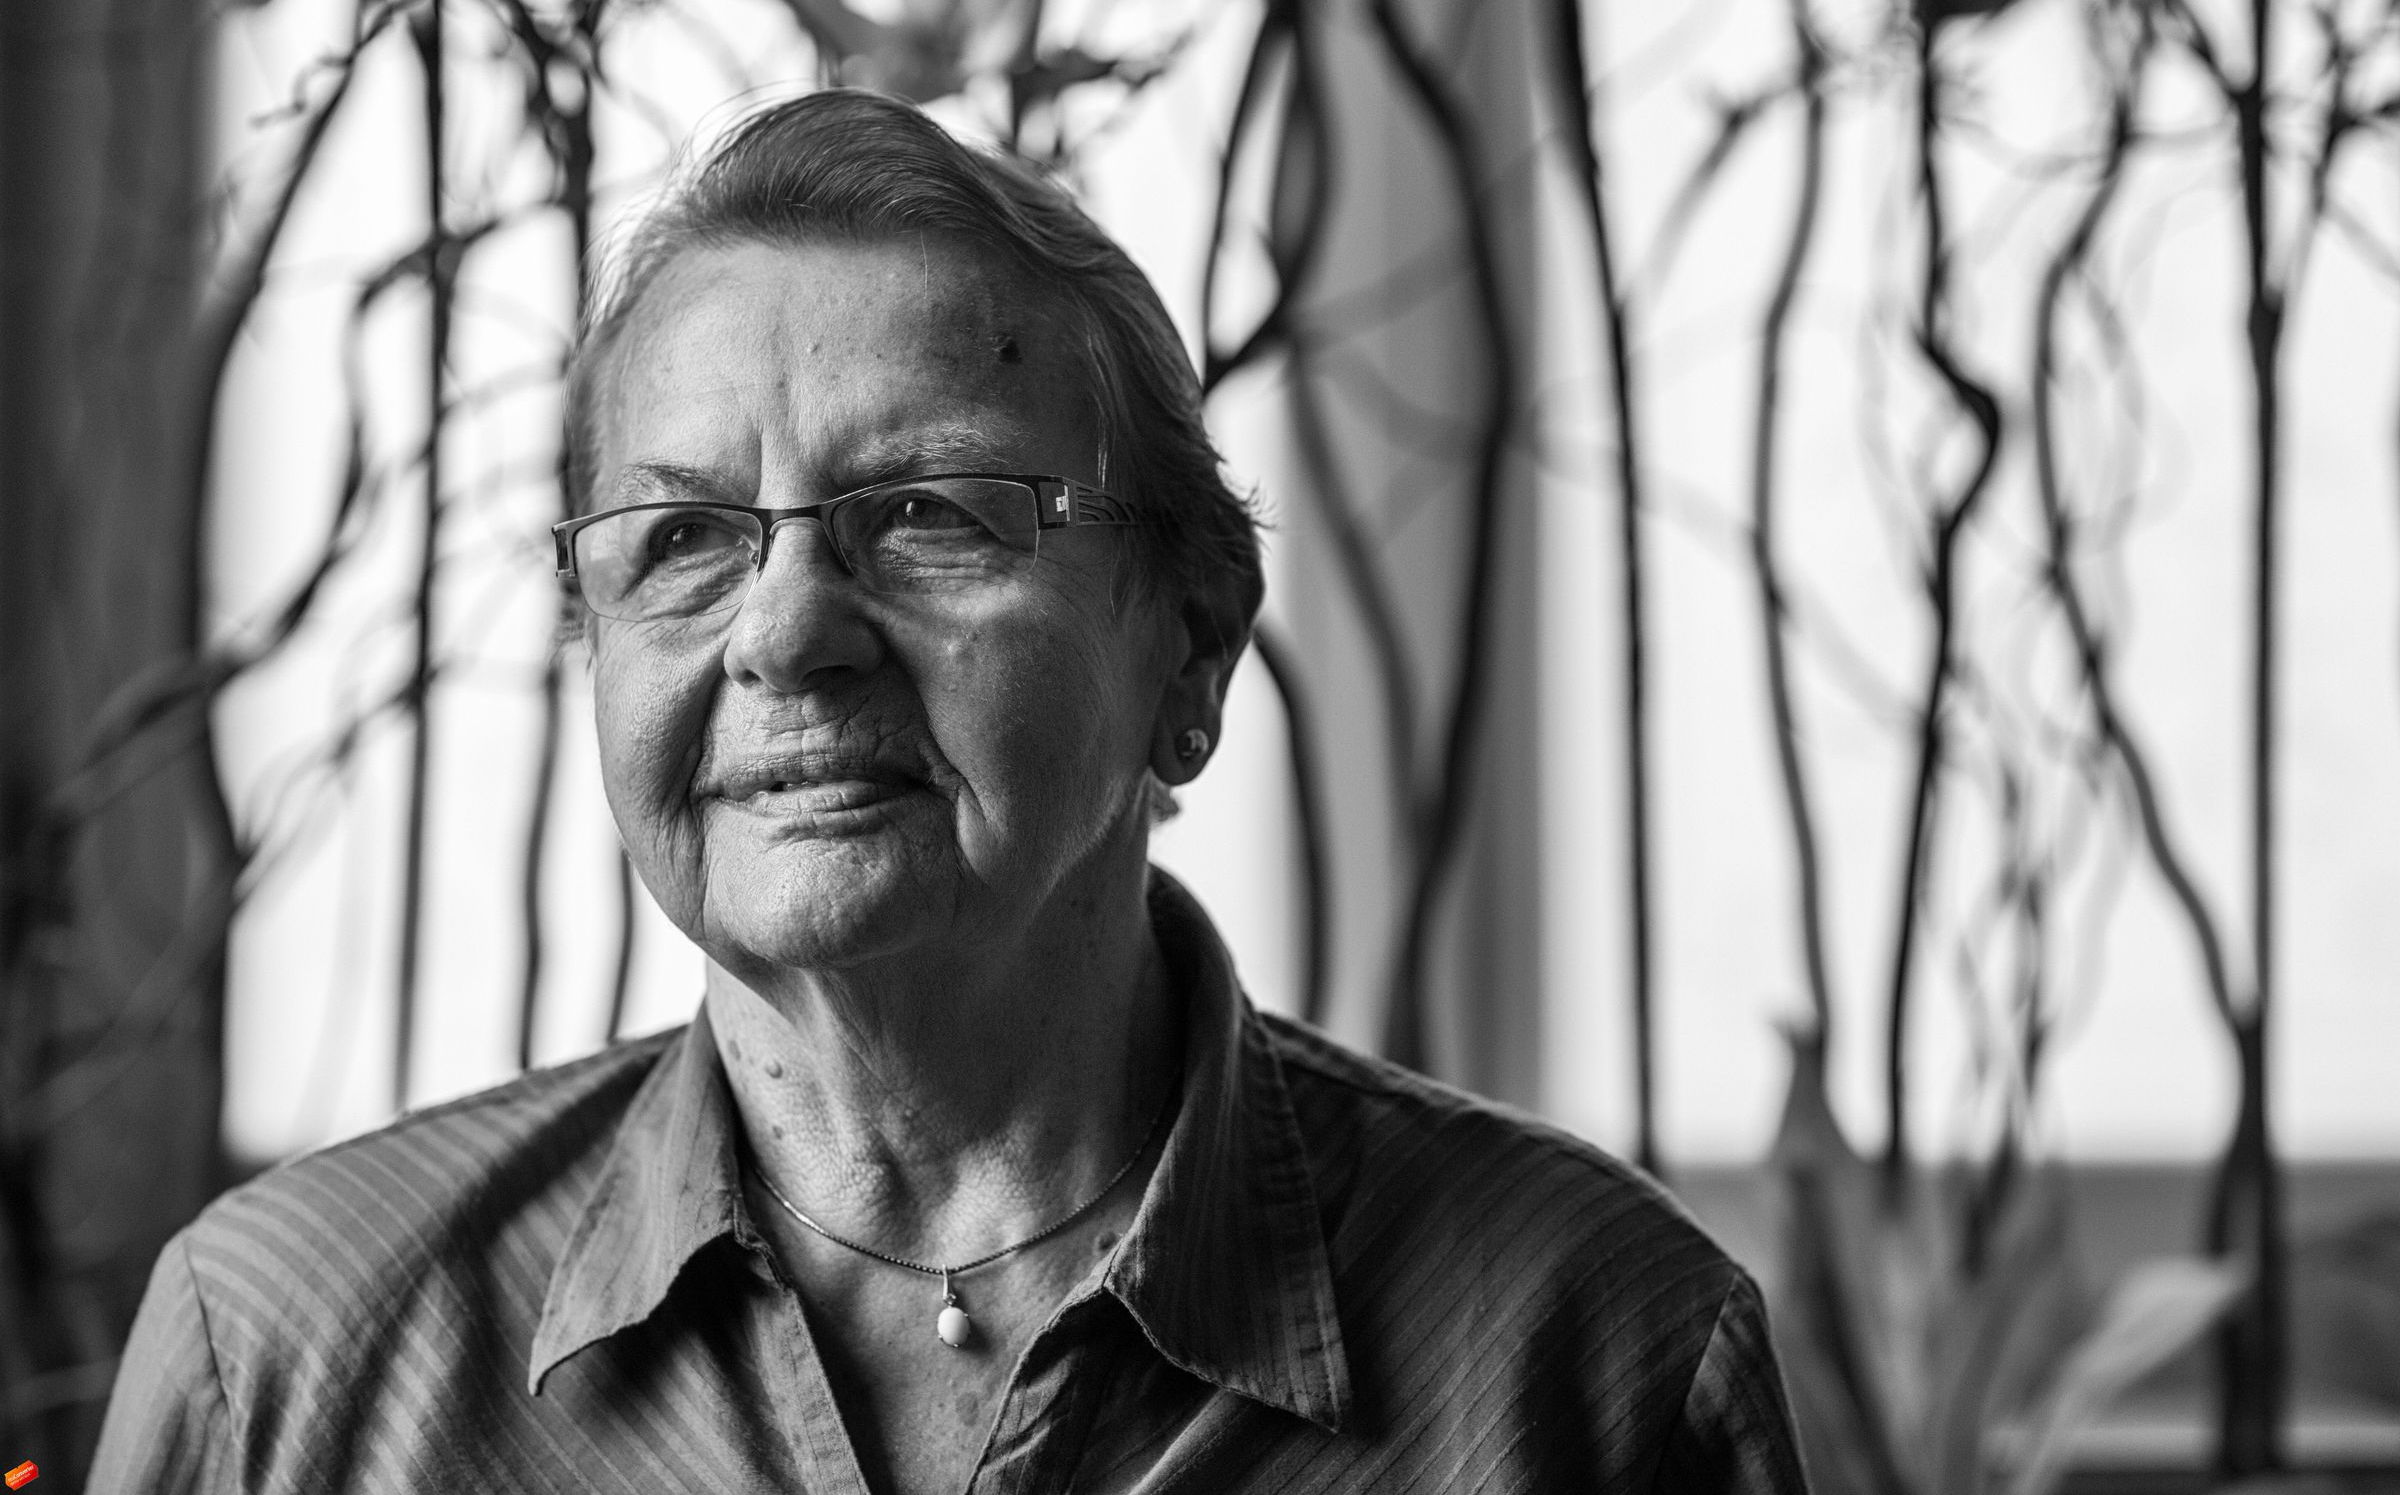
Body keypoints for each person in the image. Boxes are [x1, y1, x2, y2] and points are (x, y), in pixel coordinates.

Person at [91, 89, 1808, 1494]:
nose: (786, 634)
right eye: (683, 538)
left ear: (1193, 653)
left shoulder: (1594, 1358)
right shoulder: (285, 1359)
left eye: (927, 513)